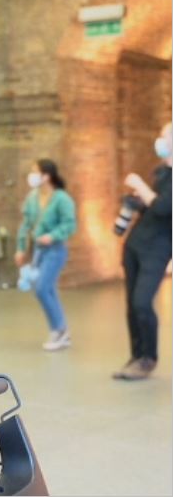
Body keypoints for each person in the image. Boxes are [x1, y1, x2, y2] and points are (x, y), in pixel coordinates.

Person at [113, 122, 172, 380]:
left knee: (142, 302)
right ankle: (136, 356)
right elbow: (150, 208)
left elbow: (162, 208)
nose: (159, 139)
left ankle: (148, 357)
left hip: (157, 249)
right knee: (130, 306)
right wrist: (136, 201)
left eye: (164, 135)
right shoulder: (160, 173)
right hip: (135, 245)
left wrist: (140, 184)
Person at [14, 159, 77, 351]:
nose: (31, 176)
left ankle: (59, 329)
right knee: (46, 289)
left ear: (46, 176)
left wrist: (53, 235)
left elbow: (70, 224)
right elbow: (25, 225)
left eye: (35, 172)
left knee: (42, 288)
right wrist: (21, 247)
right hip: (39, 252)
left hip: (56, 250)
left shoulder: (61, 198)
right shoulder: (32, 198)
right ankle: (61, 330)